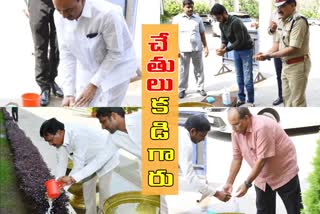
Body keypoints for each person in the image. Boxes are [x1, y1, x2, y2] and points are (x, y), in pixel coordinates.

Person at [53, 0, 138, 107]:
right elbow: (67, 53)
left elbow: (115, 53)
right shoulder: (58, 16)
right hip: (88, 65)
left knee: (105, 113)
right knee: (80, 108)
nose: (64, 16)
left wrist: (94, 84)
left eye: (69, 10)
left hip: (116, 69)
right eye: (59, 10)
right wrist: (69, 92)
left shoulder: (108, 13)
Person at [224, 107, 302, 214]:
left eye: (236, 124)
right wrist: (229, 183)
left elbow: (262, 160)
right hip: (262, 176)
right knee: (264, 211)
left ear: (246, 118)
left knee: (294, 209)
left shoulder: (262, 127)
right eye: (231, 125)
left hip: (283, 171)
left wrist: (247, 184)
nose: (233, 129)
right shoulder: (236, 132)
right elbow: (237, 158)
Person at [40, 118, 119, 214]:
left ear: (59, 132)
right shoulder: (60, 140)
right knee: (87, 192)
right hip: (88, 160)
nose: (50, 144)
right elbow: (61, 163)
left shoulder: (78, 135)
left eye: (51, 140)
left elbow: (78, 166)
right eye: (48, 141)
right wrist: (57, 186)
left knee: (104, 191)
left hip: (105, 158)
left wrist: (62, 187)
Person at [255, 0, 310, 107]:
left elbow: (293, 48)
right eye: (277, 6)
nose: (279, 9)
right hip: (286, 65)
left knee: (297, 102)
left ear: (293, 5)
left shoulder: (299, 21)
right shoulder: (282, 21)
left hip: (298, 65)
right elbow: (276, 45)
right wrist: (265, 53)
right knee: (287, 99)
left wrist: (269, 56)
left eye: (282, 6)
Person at [211, 4, 255, 107]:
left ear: (225, 13)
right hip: (236, 51)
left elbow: (240, 41)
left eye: (219, 17)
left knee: (247, 78)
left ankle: (250, 101)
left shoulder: (235, 22)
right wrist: (221, 48)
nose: (218, 20)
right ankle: (242, 99)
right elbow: (224, 40)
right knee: (239, 77)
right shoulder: (221, 24)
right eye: (216, 18)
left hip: (246, 50)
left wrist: (226, 49)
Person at [180, 114, 231, 202]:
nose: (203, 139)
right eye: (202, 136)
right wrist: (217, 194)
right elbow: (190, 178)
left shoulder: (179, 131)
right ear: (193, 131)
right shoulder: (186, 145)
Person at [27, 0, 64, 106]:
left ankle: (52, 80)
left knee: (57, 46)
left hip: (60, 3)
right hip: (37, 3)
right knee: (40, 48)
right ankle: (44, 86)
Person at [172, 0, 208, 99]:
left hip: (197, 49)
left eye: (191, 7)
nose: (190, 9)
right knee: (183, 71)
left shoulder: (198, 19)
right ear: (183, 7)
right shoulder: (176, 19)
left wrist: (205, 47)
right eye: (188, 7)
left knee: (199, 69)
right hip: (183, 49)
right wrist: (176, 49)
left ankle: (200, 88)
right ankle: (182, 89)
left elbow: (202, 33)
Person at [268, 10, 283, 106]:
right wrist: (272, 29)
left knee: (290, 76)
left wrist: (268, 55)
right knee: (279, 75)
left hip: (287, 49)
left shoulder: (290, 11)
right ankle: (281, 96)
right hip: (276, 49)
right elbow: (269, 31)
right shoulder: (273, 13)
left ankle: (290, 96)